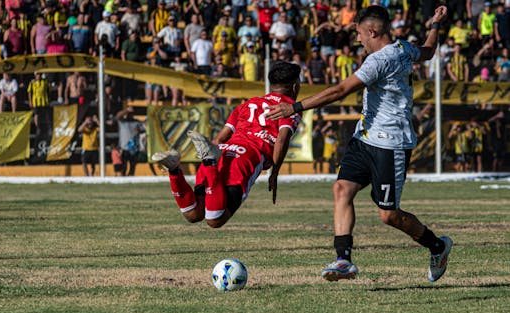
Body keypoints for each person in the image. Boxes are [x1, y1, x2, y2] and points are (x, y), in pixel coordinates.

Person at [266, 5, 453, 283]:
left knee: (388, 215)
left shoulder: (380, 60)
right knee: (341, 189)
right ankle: (343, 260)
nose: (357, 40)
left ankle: (437, 246)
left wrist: (295, 108)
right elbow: (427, 51)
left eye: (359, 34)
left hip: (391, 144)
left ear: (373, 31)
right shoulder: (402, 47)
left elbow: (340, 90)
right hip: (364, 137)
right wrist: (435, 25)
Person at [152, 61, 302, 228]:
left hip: (222, 151)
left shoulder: (247, 104)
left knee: (194, 214)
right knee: (215, 219)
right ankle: (209, 162)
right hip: (246, 157)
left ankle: (174, 170)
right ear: (295, 87)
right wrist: (275, 172)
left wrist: (214, 154)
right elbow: (281, 140)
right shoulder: (289, 109)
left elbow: (220, 139)